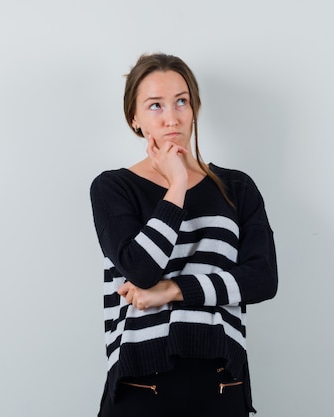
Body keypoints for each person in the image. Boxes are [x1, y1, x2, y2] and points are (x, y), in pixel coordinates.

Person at [90, 52, 278, 417]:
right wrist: (176, 185)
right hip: (141, 382)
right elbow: (140, 268)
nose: (172, 117)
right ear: (135, 118)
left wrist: (173, 290)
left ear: (194, 107)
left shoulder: (236, 188)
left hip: (221, 382)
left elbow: (262, 279)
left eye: (181, 101)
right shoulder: (113, 188)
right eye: (155, 105)